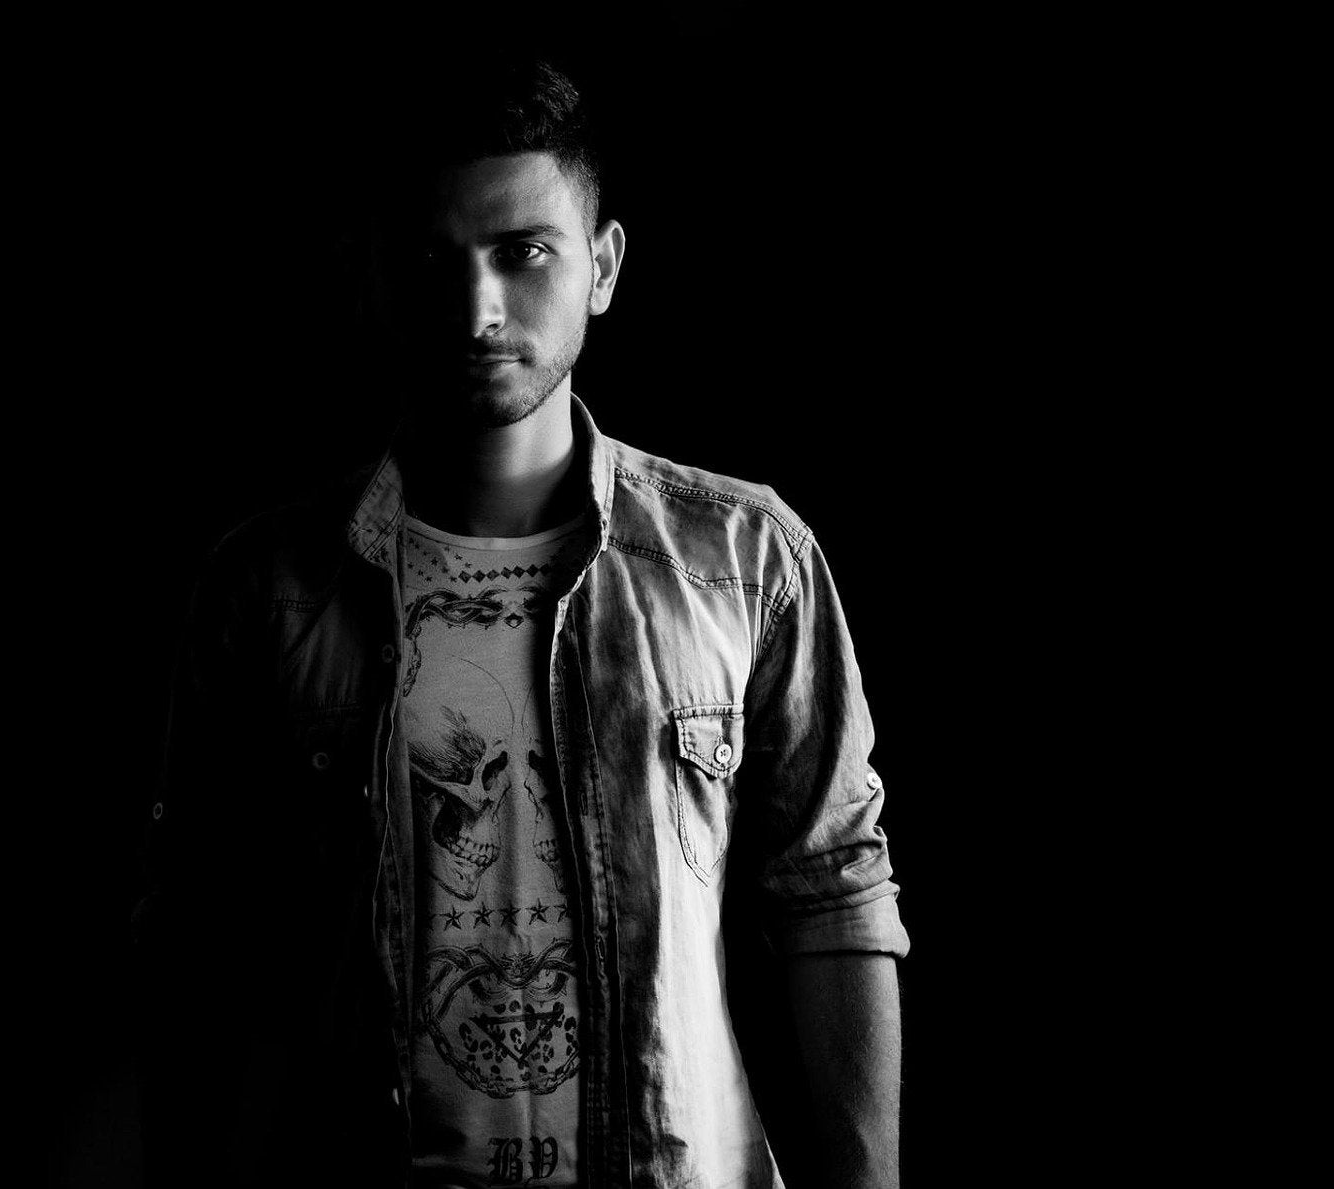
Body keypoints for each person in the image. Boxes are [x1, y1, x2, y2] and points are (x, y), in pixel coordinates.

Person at [137, 55, 908, 1188]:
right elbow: (196, 940)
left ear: (604, 266)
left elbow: (833, 895)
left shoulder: (743, 563)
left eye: (524, 251)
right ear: (372, 277)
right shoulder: (267, 590)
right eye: (432, 259)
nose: (477, 310)